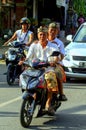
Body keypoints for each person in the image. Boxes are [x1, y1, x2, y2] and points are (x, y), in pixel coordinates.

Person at [20, 26, 62, 115]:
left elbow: (57, 56)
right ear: (38, 35)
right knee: (24, 75)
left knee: (50, 78)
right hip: (35, 69)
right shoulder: (34, 45)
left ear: (47, 35)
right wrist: (23, 61)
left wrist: (54, 60)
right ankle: (32, 94)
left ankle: (48, 102)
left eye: (44, 35)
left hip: (47, 69)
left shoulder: (53, 46)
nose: (42, 36)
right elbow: (29, 56)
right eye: (40, 34)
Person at [48, 22, 67, 101]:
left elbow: (62, 56)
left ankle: (61, 94)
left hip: (56, 64)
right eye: (51, 30)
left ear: (57, 32)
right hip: (44, 63)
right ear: (48, 30)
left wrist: (57, 59)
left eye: (54, 30)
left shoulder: (59, 43)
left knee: (57, 73)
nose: (52, 32)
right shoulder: (43, 39)